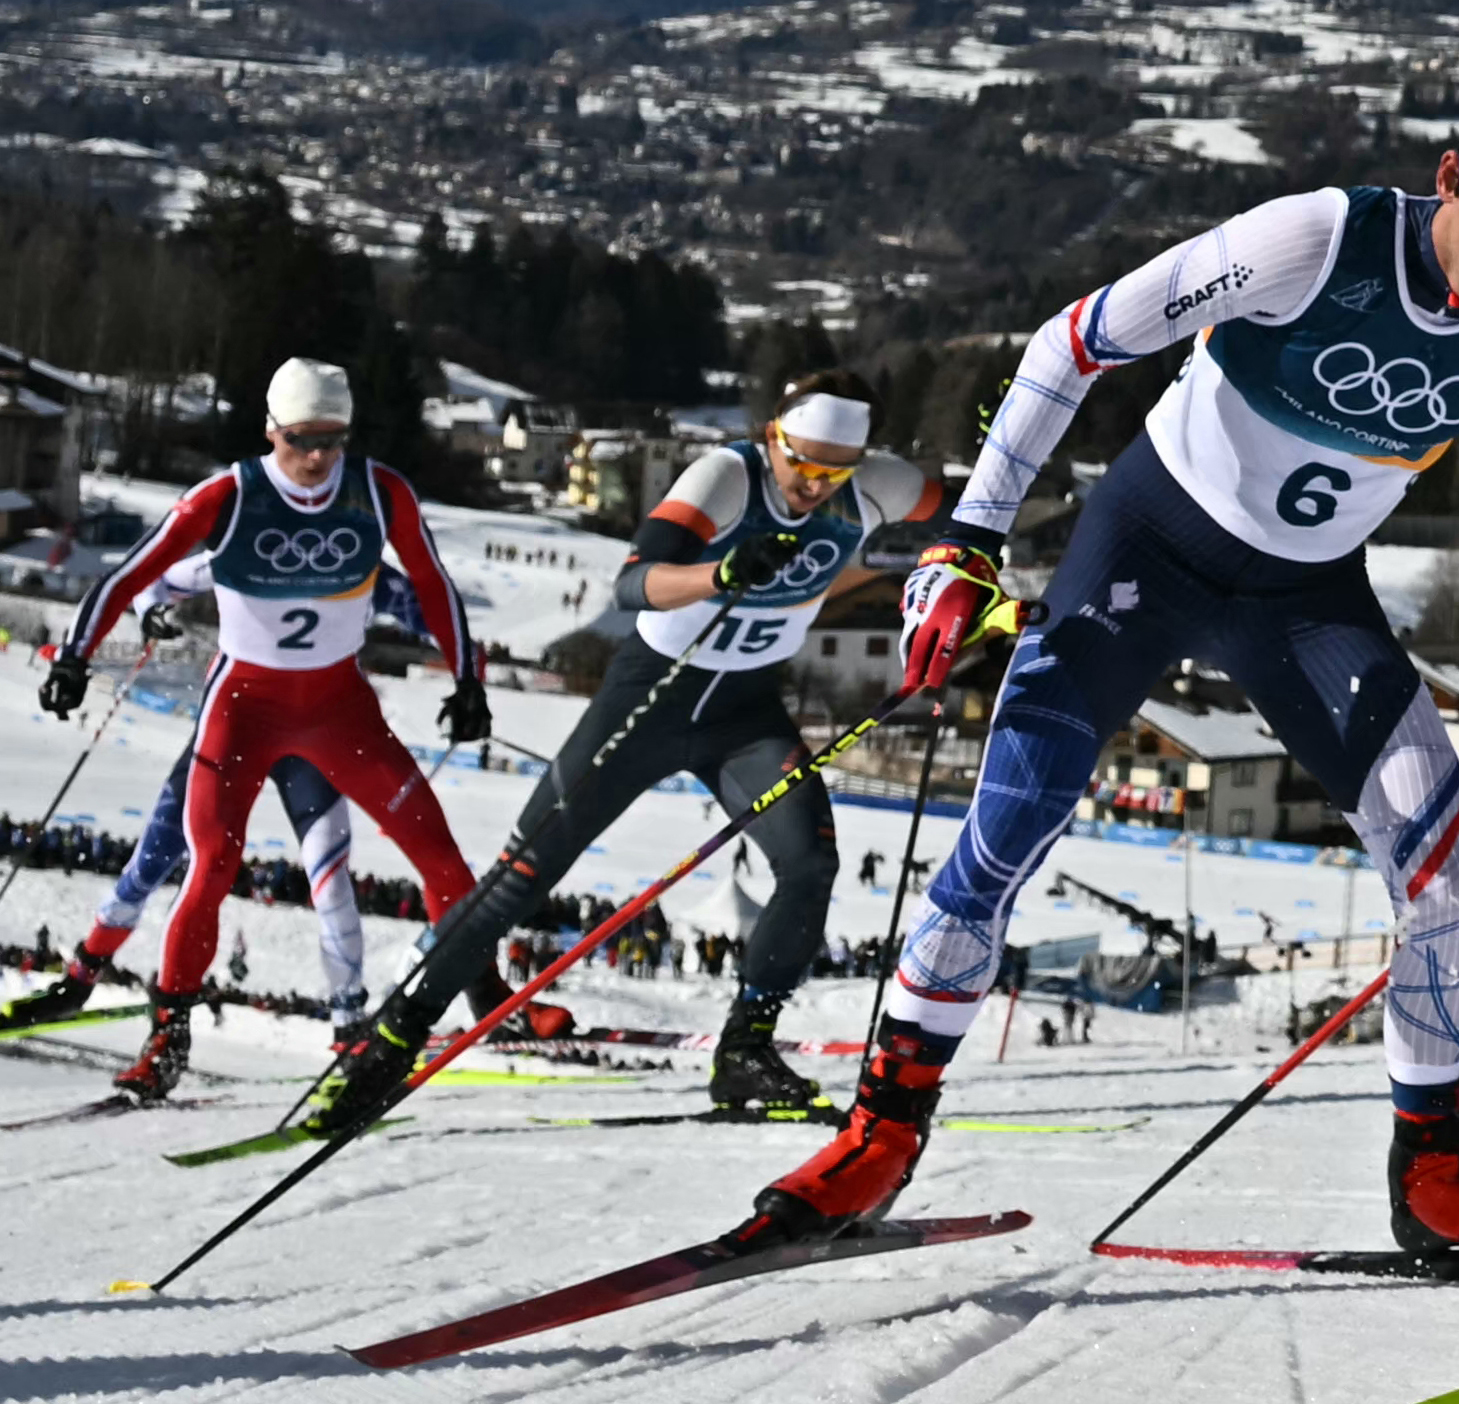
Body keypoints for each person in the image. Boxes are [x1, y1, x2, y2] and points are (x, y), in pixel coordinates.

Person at [753, 84, 1459, 1268]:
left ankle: (1435, 1172)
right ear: (1450, 178)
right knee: (1007, 832)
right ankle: (880, 1134)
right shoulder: (1314, 240)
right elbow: (1072, 342)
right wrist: (969, 542)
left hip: (1305, 602)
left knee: (1439, 859)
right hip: (1143, 555)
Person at [307, 379, 900, 1137]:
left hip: (745, 713)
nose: (815, 485)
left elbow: (963, 510)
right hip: (650, 699)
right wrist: (719, 574)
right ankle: (391, 1041)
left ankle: (745, 1053)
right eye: (803, 463)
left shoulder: (877, 487)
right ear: (773, 436)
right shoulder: (728, 477)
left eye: (835, 472)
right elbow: (632, 583)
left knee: (810, 863)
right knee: (523, 876)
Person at [34, 362, 486, 1106]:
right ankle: (166, 1037)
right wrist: (75, 658)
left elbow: (432, 583)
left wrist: (468, 680)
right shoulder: (228, 496)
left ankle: (483, 1000)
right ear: (272, 430)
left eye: (334, 439)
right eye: (304, 439)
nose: (320, 456)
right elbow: (128, 576)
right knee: (210, 863)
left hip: (340, 709)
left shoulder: (378, 491)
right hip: (244, 709)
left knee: (438, 854)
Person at [6, 607, 363, 1037]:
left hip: (305, 734)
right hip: (229, 731)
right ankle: (81, 982)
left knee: (328, 881)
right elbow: (152, 581)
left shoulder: (345, 574)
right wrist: (150, 612)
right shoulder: (240, 566)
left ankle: (349, 1024)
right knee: (148, 866)